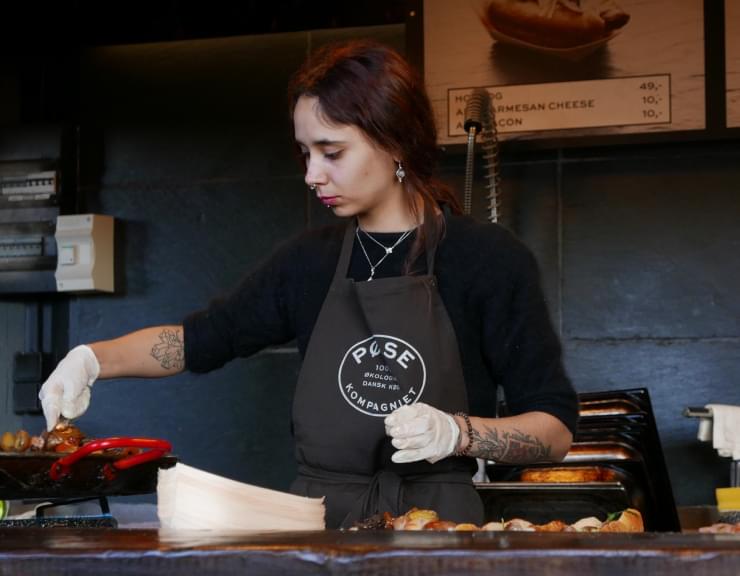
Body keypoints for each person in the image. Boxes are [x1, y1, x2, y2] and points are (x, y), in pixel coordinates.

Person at [39, 40, 578, 529]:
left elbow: (554, 431)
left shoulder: (487, 259)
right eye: (306, 152)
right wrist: (92, 359)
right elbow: (200, 339)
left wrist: (460, 433)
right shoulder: (308, 263)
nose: (311, 174)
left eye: (332, 152)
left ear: (395, 142)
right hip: (319, 531)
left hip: (436, 533)